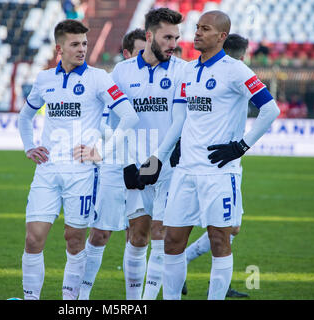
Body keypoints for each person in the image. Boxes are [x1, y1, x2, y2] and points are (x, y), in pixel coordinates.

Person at [144, 11, 279, 300]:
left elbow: (270, 109)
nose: (197, 33)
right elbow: (180, 119)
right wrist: (162, 155)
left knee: (220, 239)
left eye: (205, 29)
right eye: (197, 28)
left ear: (221, 37)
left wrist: (240, 146)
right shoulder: (187, 71)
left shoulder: (236, 70)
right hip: (185, 171)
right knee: (172, 241)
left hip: (218, 172)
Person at [18, 19, 138, 300]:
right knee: (33, 239)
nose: (82, 49)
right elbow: (25, 116)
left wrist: (102, 152)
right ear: (60, 48)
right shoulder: (44, 79)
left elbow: (130, 116)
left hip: (82, 174)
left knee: (74, 240)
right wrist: (28, 146)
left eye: (84, 43)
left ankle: (71, 301)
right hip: (46, 171)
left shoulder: (98, 78)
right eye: (75, 44)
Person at [118, 7, 185, 300]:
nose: (174, 43)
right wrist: (125, 163)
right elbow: (113, 122)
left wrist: (159, 158)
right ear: (149, 36)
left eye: (176, 37)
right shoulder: (121, 72)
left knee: (163, 235)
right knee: (137, 236)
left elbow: (180, 119)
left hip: (168, 167)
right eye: (167, 37)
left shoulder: (184, 70)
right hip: (134, 167)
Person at [73, 28, 145, 300]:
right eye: (140, 51)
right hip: (115, 164)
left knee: (138, 235)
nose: (145, 56)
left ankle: (135, 301)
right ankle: (82, 295)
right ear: (127, 53)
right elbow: (102, 122)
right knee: (101, 233)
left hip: (145, 164)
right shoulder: (115, 78)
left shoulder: (157, 75)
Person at [181, 33, 250, 298]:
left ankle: (215, 282)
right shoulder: (237, 75)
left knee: (226, 228)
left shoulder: (207, 74)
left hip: (199, 160)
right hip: (223, 165)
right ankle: (210, 280)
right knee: (227, 228)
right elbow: (269, 107)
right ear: (242, 56)